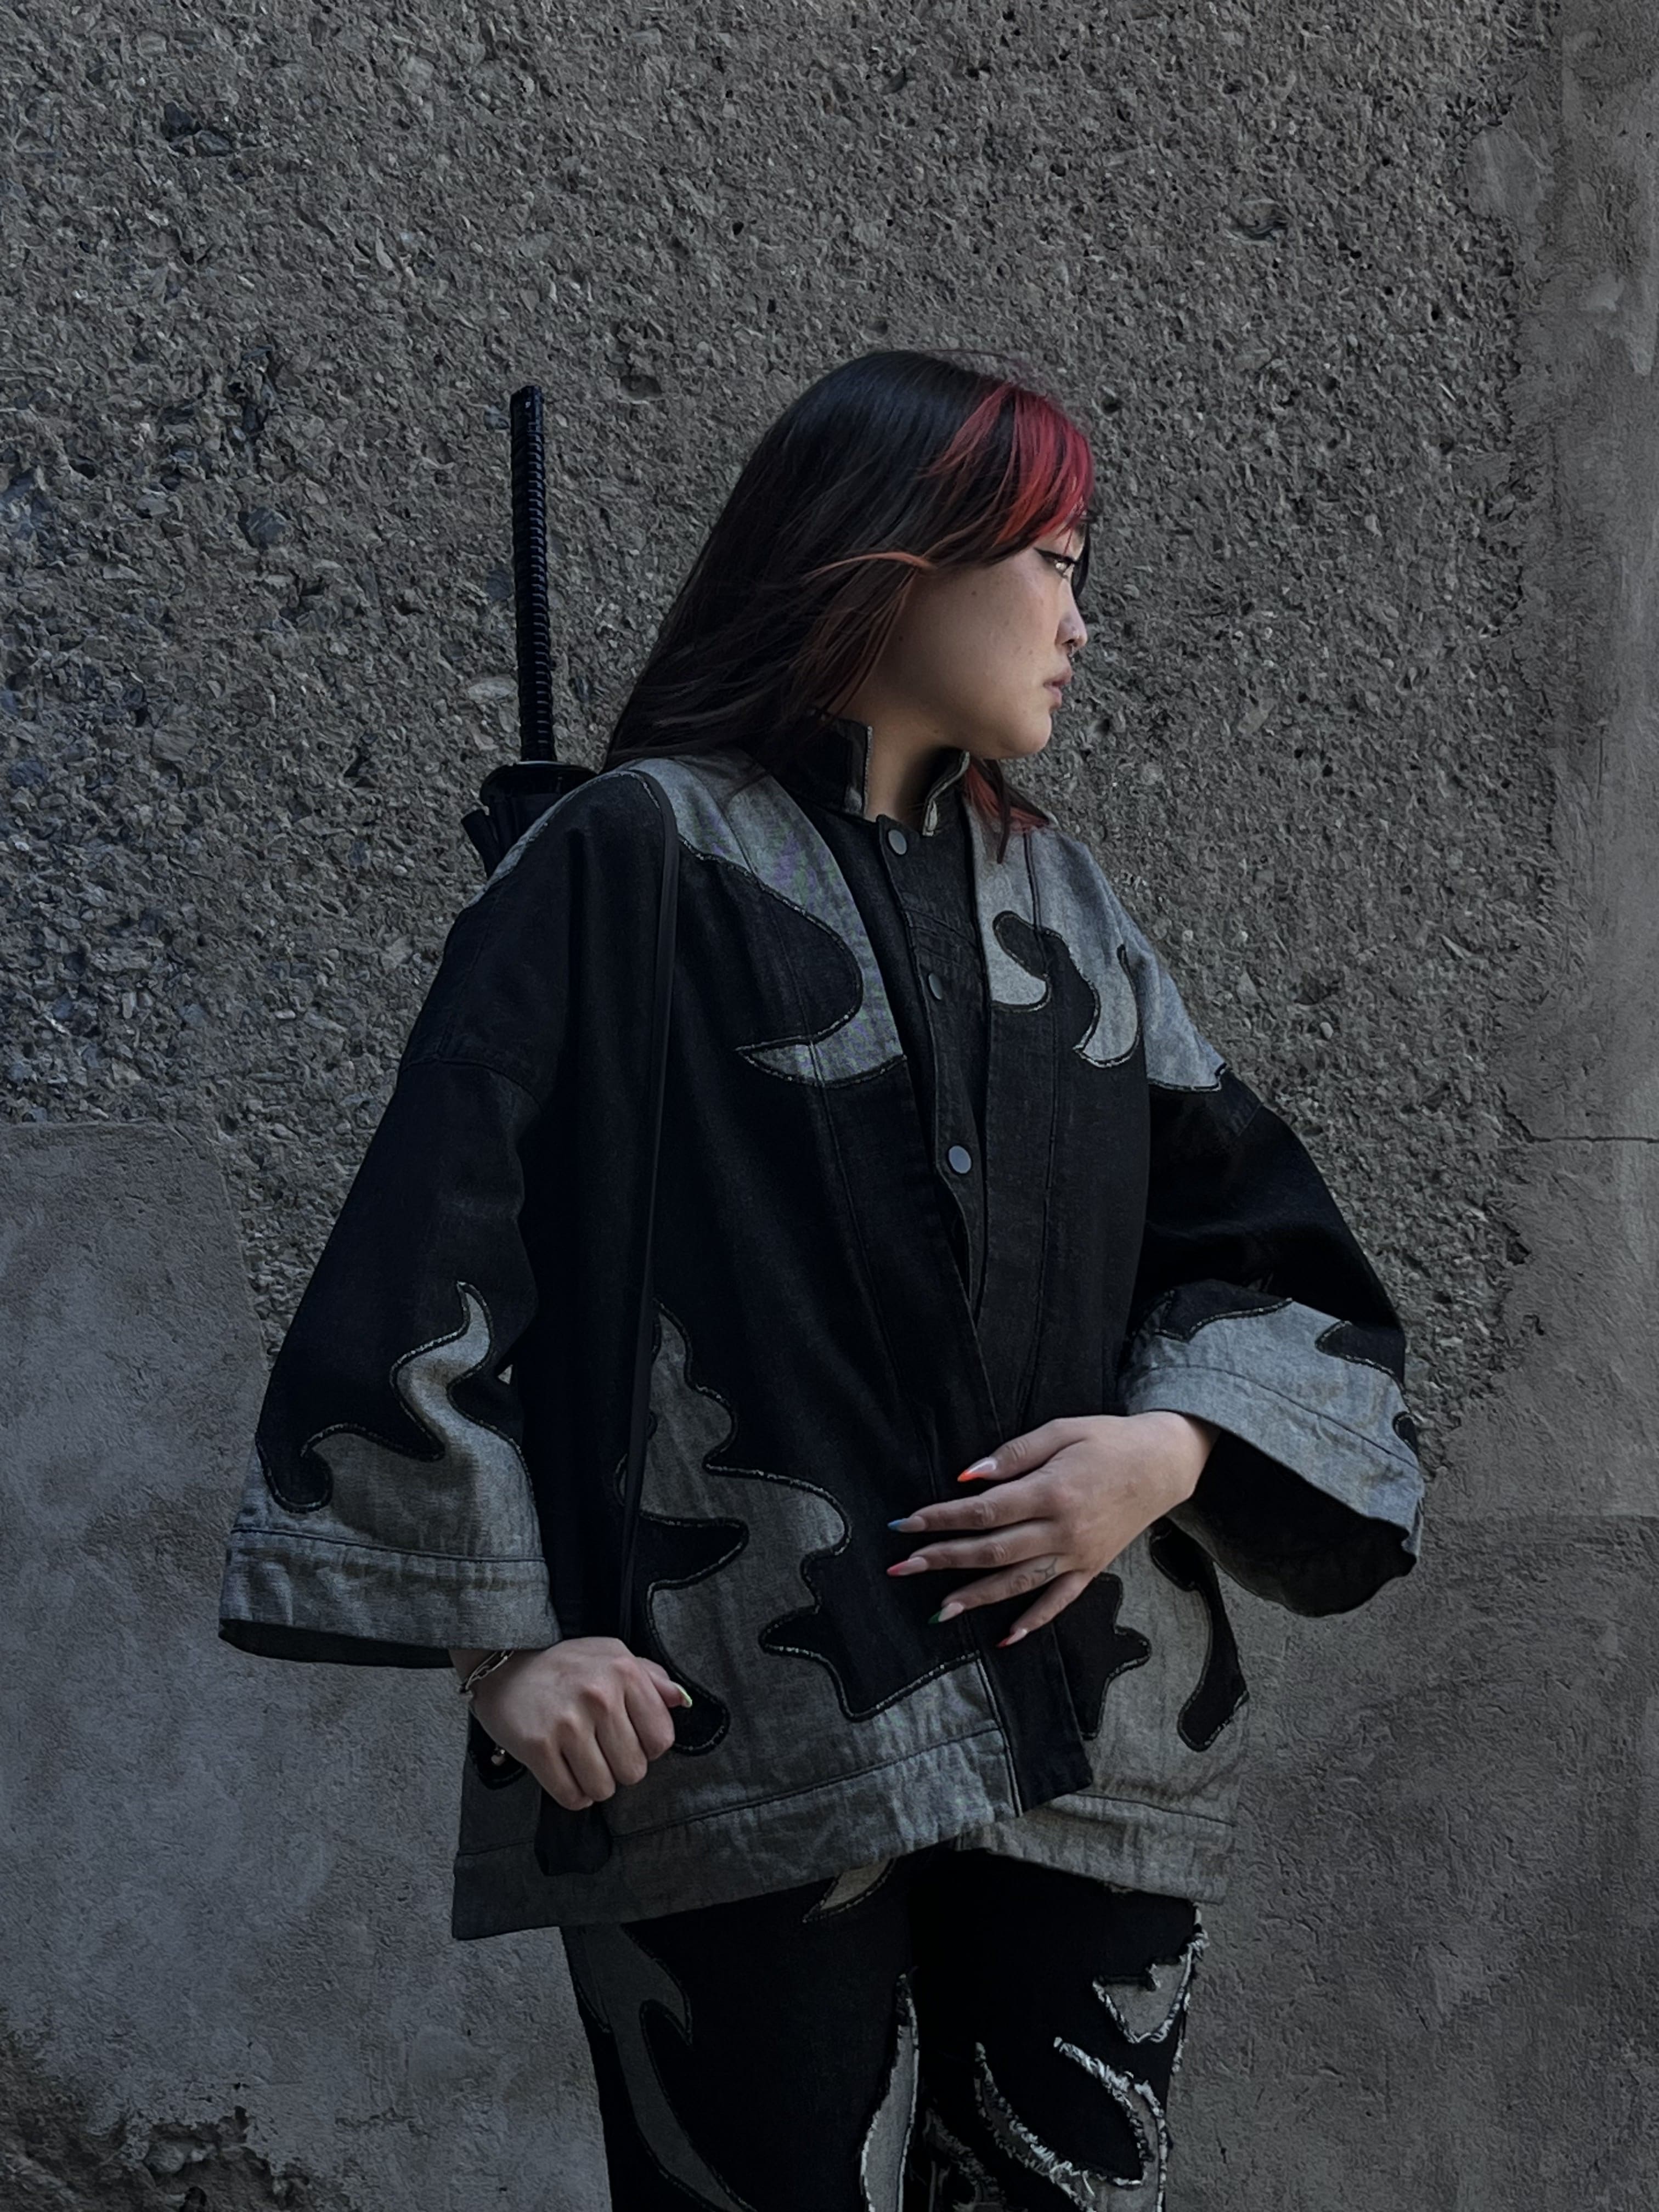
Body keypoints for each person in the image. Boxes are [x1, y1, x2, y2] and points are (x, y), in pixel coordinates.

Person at [219, 349, 1425, 2210]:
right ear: (897, 555)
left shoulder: (1068, 910)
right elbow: (428, 1261)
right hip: (736, 1744)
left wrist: (1166, 1455)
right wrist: (506, 1642)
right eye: (1051, 562)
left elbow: (1269, 1257)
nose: (1080, 622)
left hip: (1089, 1738)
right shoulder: (632, 857)